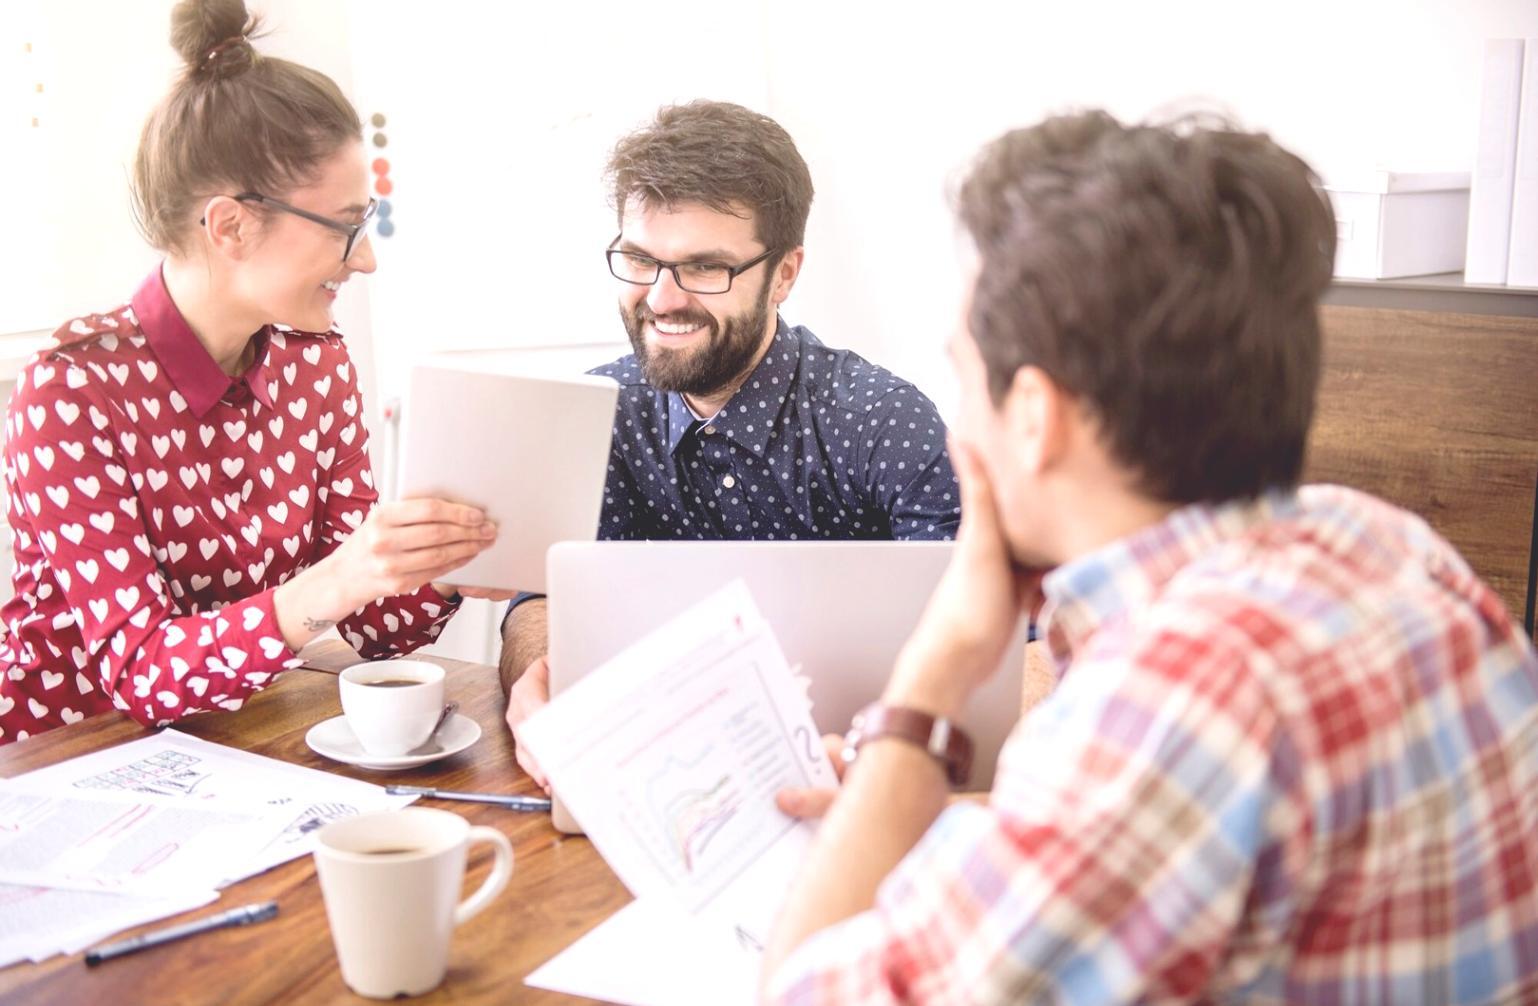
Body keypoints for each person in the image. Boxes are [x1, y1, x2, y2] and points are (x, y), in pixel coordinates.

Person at [762, 111, 1538, 1004]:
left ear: (1032, 418)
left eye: (962, 378)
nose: (954, 426)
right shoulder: (1387, 542)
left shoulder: (1183, 694)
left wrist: (929, 681)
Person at [0, 0, 506, 744]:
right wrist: (337, 578)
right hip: (68, 760)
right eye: (346, 226)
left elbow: (374, 626)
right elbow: (141, 670)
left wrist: (441, 563)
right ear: (231, 226)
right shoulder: (71, 393)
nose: (365, 258)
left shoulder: (318, 362)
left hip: (241, 744)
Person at [501, 101, 962, 786]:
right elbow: (538, 597)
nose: (661, 298)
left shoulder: (883, 423)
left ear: (784, 273)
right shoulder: (596, 415)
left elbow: (988, 635)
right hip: (650, 778)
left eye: (705, 268)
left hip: (855, 787)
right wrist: (540, 682)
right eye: (639, 259)